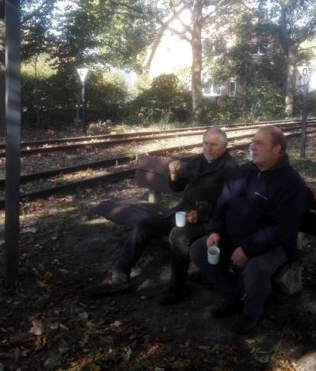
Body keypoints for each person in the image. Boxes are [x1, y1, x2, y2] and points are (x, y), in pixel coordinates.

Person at [90, 127, 239, 302]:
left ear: (224, 146)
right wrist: (174, 176)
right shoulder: (199, 160)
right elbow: (178, 187)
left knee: (178, 235)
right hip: (183, 213)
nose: (208, 148)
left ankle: (178, 288)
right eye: (205, 143)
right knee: (144, 225)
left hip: (209, 221)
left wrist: (201, 213)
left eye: (213, 145)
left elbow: (230, 204)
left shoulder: (231, 169)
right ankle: (119, 276)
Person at [190, 126, 308, 335]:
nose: (252, 147)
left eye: (259, 143)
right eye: (252, 142)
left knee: (256, 269)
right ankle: (232, 295)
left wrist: (247, 249)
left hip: (273, 245)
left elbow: (283, 229)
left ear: (277, 150)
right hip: (235, 236)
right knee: (200, 249)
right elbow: (222, 203)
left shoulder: (291, 184)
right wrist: (215, 230)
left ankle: (251, 313)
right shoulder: (243, 171)